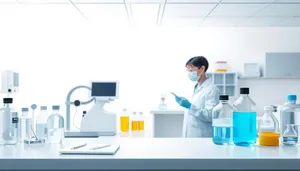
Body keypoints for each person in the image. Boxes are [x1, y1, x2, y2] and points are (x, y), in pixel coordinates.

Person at [175, 56, 220, 138]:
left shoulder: (212, 89)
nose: (189, 73)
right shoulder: (195, 87)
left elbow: (210, 115)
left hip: (202, 135)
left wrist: (190, 106)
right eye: (188, 71)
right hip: (190, 134)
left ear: (202, 69)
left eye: (191, 70)